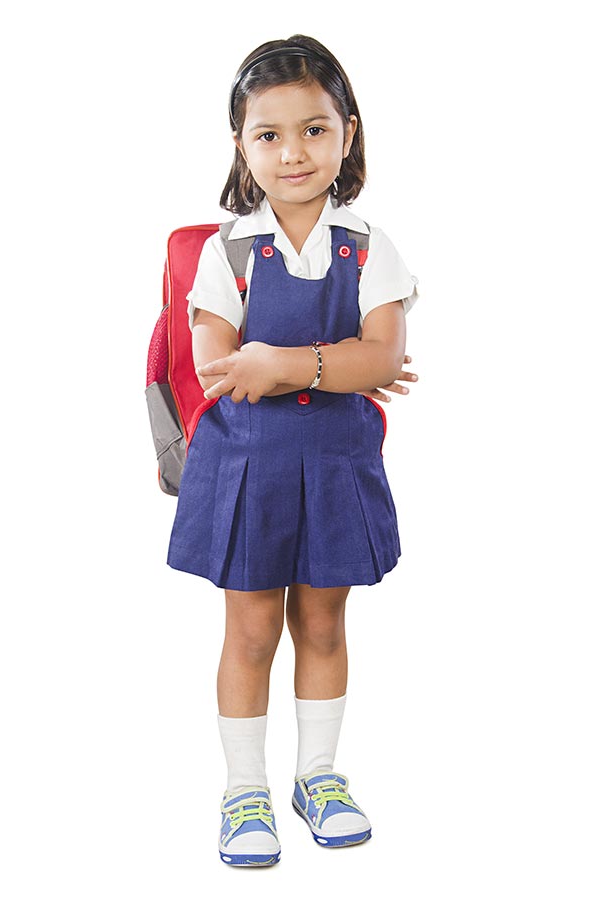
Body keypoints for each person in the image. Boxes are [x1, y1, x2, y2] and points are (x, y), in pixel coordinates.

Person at [166, 34, 420, 867]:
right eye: (268, 134)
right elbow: (218, 369)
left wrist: (283, 363)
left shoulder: (367, 244)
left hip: (336, 464)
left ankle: (318, 774)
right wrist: (328, 365)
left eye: (315, 129)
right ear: (240, 145)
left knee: (323, 620)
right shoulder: (228, 250)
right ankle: (245, 788)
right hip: (248, 468)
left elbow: (383, 357)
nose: (293, 151)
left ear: (349, 131)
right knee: (248, 631)